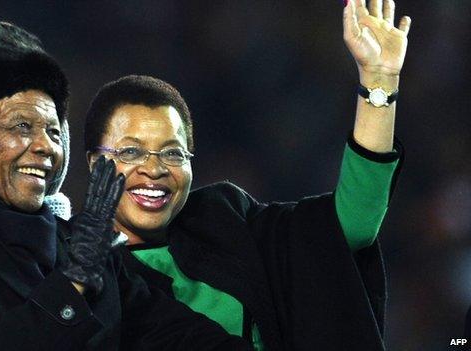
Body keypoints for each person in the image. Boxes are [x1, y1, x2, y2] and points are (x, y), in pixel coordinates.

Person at [0, 21, 253, 350]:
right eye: (22, 127)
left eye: (55, 133)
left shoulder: (76, 243)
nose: (45, 147)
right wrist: (72, 285)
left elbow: (175, 336)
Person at [81, 1, 411, 350]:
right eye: (131, 152)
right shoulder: (70, 266)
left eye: (173, 153)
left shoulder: (225, 223)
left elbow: (354, 223)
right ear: (94, 164)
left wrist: (378, 80)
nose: (155, 169)